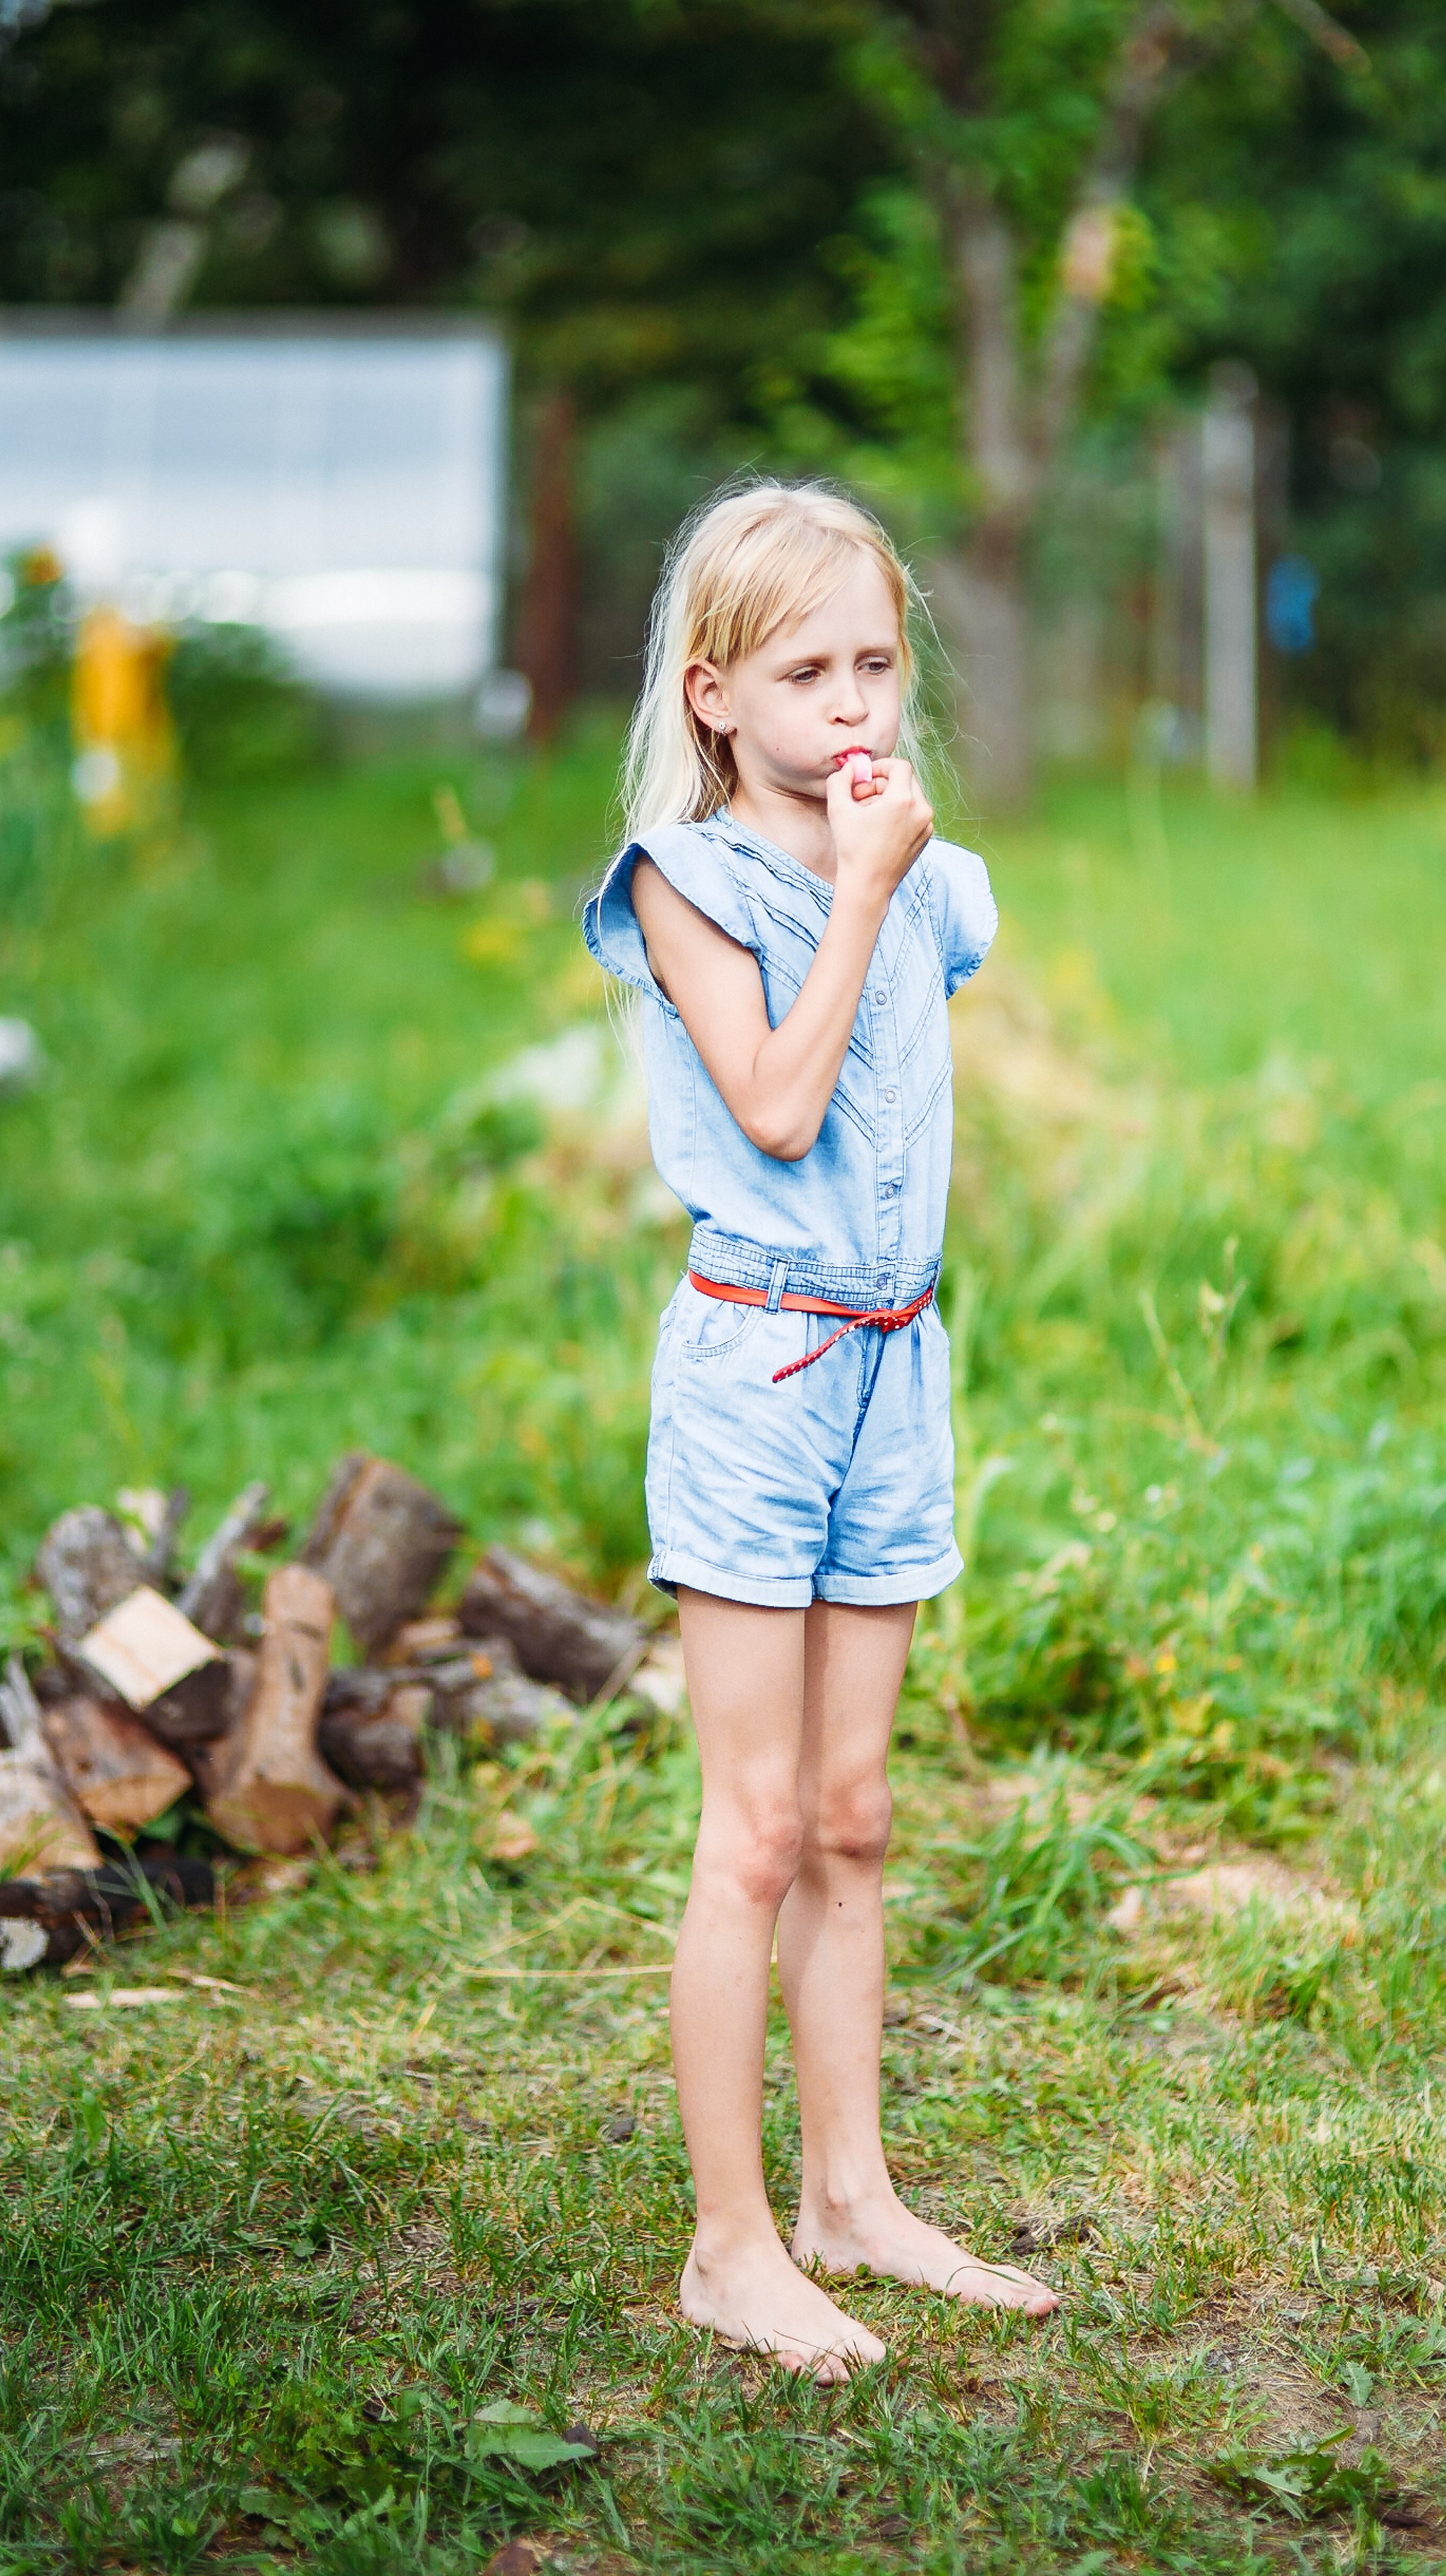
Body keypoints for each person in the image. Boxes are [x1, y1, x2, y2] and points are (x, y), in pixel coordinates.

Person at [583, 481, 1058, 2380]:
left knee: (857, 1815)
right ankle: (730, 2240)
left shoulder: (929, 871)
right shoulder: (689, 881)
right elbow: (779, 1111)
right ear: (713, 692)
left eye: (879, 662)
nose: (858, 705)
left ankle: (855, 2195)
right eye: (809, 671)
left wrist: (887, 875)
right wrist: (857, 887)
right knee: (759, 1826)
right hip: (758, 1376)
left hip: (893, 1366)